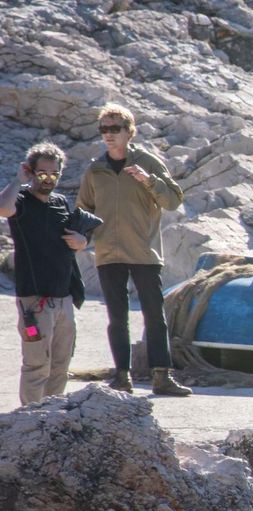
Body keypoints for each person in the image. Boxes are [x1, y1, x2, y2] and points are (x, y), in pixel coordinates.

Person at [77, 103, 190, 396]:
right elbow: (83, 209)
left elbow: (173, 201)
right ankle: (121, 377)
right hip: (108, 253)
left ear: (130, 131)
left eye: (115, 128)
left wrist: (148, 180)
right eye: (104, 129)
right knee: (117, 318)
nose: (108, 134)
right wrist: (82, 237)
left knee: (154, 316)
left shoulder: (148, 162)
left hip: (144, 252)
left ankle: (162, 377)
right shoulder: (95, 169)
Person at [0, 143, 100, 404]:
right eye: (42, 173)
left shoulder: (61, 202)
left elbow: (73, 238)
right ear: (31, 171)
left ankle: (52, 419)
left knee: (60, 366)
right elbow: (3, 209)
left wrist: (82, 241)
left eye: (54, 174)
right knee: (37, 366)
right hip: (35, 300)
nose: (48, 179)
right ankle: (31, 418)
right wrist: (18, 180)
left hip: (64, 298)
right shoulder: (21, 200)